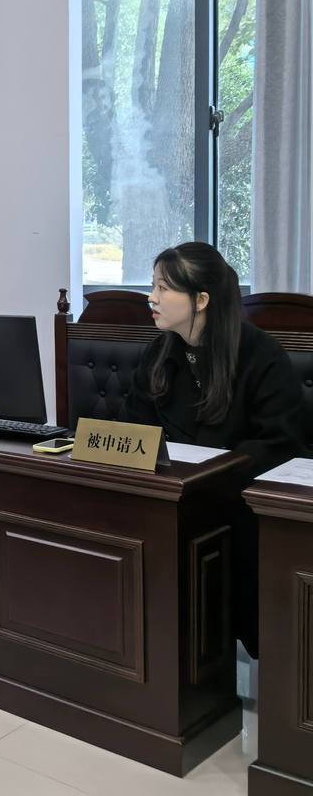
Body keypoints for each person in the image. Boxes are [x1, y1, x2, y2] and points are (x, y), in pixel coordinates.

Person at [120, 241, 308, 656]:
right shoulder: (159, 352)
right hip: (168, 495)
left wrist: (215, 473)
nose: (151, 298)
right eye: (152, 286)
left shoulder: (260, 355)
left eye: (164, 288)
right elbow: (132, 425)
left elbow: (279, 443)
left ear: (201, 299)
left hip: (235, 500)